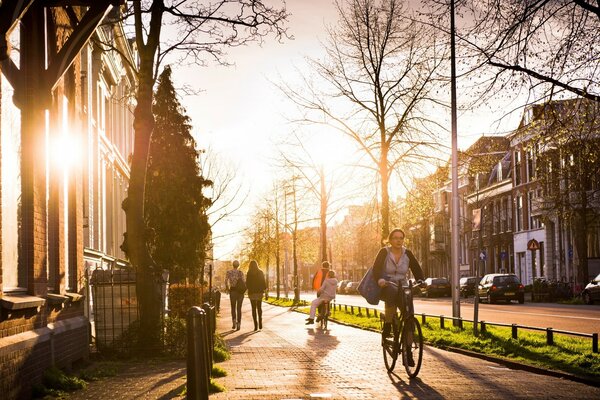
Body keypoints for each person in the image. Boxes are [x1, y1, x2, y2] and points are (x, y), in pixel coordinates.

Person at [372, 228, 425, 338]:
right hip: (387, 283)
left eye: (401, 238)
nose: (398, 241)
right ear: (390, 240)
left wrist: (421, 280)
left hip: (402, 283)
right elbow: (376, 268)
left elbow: (416, 268)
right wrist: (380, 280)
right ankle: (388, 324)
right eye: (395, 238)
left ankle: (410, 327)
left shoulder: (407, 253)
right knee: (391, 291)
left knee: (408, 299)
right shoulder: (384, 252)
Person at [246, 260, 267, 331]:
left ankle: (255, 325)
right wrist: (264, 289)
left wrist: (248, 289)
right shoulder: (260, 272)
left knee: (253, 309)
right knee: (259, 307)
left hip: (252, 293)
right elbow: (263, 282)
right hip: (259, 292)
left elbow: (247, 283)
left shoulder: (249, 273)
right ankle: (260, 321)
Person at [225, 260, 245, 330]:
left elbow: (226, 281)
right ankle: (239, 323)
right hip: (240, 292)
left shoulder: (229, 272)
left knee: (233, 307)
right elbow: (243, 282)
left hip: (233, 291)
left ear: (233, 265)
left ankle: (234, 322)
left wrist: (227, 288)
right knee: (239, 308)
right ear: (238, 265)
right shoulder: (241, 272)